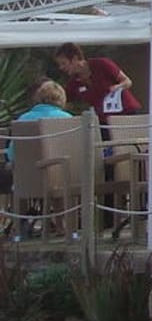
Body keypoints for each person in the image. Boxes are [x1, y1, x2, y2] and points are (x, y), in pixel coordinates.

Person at [2, 81, 75, 216]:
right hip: (62, 177)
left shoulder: (23, 119)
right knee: (58, 176)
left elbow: (12, 154)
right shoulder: (68, 119)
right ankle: (61, 223)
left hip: (28, 178)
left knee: (18, 173)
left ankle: (20, 222)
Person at [54, 42, 140, 128]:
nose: (61, 68)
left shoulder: (102, 63)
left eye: (63, 63)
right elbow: (61, 101)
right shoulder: (73, 83)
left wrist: (117, 87)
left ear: (75, 59)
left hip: (127, 113)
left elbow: (127, 81)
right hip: (103, 121)